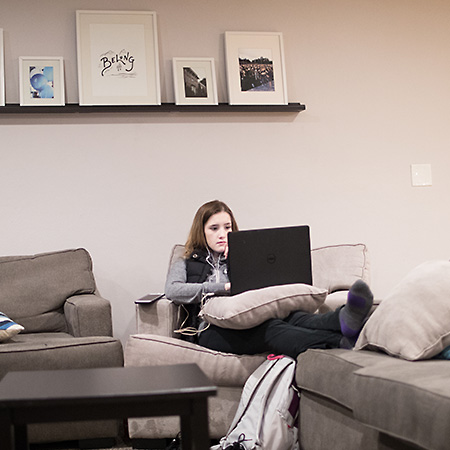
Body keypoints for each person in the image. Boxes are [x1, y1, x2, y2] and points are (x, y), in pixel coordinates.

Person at [165, 200, 374, 359]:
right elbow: (173, 291)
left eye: (227, 228)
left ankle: (343, 319)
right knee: (272, 330)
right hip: (209, 329)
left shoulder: (244, 257)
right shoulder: (186, 262)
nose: (222, 234)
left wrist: (239, 260)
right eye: (214, 228)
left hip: (252, 317)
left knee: (294, 318)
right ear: (201, 231)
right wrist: (225, 287)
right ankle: (339, 341)